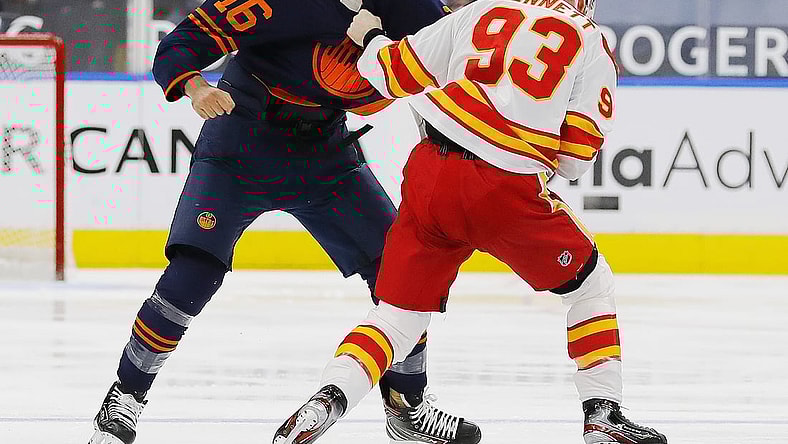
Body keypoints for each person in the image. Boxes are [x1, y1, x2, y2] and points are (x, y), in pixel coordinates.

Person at [273, 1, 669, 443]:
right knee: (591, 285)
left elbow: (391, 72)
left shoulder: (482, 10)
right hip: (504, 188)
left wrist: (368, 37)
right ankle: (603, 415)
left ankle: (328, 399)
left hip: (431, 173)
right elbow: (576, 159)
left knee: (396, 320)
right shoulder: (591, 42)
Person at [87, 1, 482, 443]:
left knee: (405, 272)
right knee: (194, 272)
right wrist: (197, 88)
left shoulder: (417, 9)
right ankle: (125, 396)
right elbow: (181, 45)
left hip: (325, 150)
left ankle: (407, 409)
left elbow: (449, 89)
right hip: (241, 138)